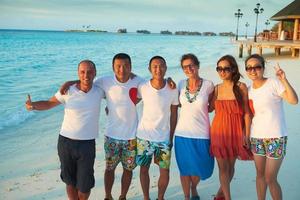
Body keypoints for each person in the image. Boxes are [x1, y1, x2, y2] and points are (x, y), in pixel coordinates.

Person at [25, 60, 104, 200]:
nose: (86, 75)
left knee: (85, 186)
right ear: (78, 73)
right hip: (66, 143)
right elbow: (49, 103)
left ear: (95, 73)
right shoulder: (68, 90)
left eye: (90, 71)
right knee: (70, 182)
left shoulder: (100, 90)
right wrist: (33, 106)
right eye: (82, 72)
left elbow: (119, 82)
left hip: (87, 145)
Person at [245, 54, 298, 200]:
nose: (253, 70)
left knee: (270, 178)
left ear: (263, 68)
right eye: (249, 68)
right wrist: (247, 135)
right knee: (260, 175)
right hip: (256, 137)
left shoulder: (273, 83)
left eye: (257, 67)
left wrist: (284, 79)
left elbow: (293, 100)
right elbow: (249, 115)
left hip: (276, 137)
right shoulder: (248, 90)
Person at [136, 56, 178, 200]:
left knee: (164, 171)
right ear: (149, 69)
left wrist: (170, 137)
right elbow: (129, 101)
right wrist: (111, 108)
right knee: (143, 169)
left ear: (166, 68)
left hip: (163, 138)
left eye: (161, 66)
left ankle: (160, 197)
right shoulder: (142, 86)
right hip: (144, 137)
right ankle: (146, 197)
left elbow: (174, 115)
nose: (158, 69)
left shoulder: (173, 89)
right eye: (154, 66)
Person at [210, 55, 253, 200]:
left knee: (231, 166)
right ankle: (227, 198)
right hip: (219, 131)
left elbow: (247, 113)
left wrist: (246, 134)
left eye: (226, 68)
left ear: (233, 69)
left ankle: (219, 195)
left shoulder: (241, 87)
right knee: (223, 168)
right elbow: (206, 107)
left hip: (235, 131)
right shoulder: (216, 89)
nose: (222, 72)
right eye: (219, 69)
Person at [174, 53, 214, 200]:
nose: (188, 68)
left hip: (202, 133)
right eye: (185, 66)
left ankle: (194, 187)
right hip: (182, 133)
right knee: (184, 168)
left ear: (197, 65)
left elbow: (212, 106)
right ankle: (187, 196)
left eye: (191, 65)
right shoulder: (179, 84)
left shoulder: (209, 85)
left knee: (202, 166)